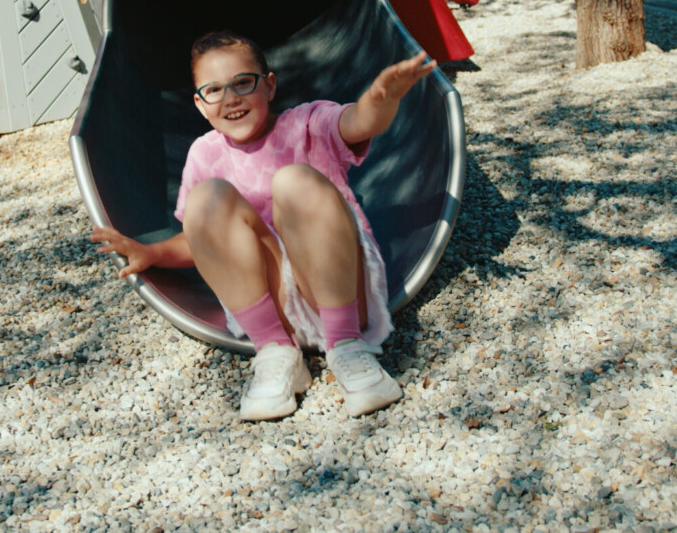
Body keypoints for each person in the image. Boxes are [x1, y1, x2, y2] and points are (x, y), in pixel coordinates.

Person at [90, 30, 436, 421]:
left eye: (243, 82)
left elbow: (358, 123)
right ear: (200, 104)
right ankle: (275, 352)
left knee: (293, 181)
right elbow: (202, 241)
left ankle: (348, 349)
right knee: (207, 198)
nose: (231, 99)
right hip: (273, 306)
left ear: (269, 85)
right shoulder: (204, 155)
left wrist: (381, 97)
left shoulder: (306, 124)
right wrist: (152, 253)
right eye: (214, 90)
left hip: (338, 289)